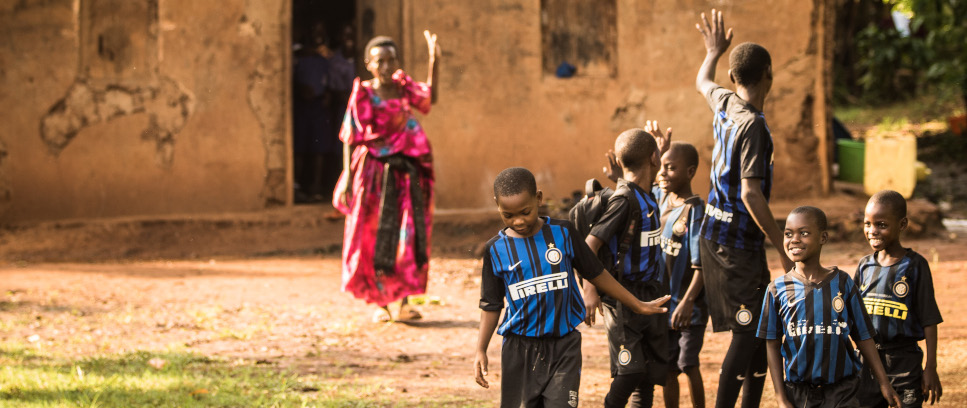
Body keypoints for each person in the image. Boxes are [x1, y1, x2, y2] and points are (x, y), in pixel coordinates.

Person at [473, 167, 671, 408]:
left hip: (564, 346)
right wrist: (480, 349)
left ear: (538, 198)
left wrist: (636, 304)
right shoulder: (495, 250)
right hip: (520, 351)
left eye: (525, 212)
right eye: (508, 215)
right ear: (497, 206)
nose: (519, 221)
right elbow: (491, 305)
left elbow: (597, 273)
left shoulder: (563, 234)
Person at [693, 9, 794, 407]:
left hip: (716, 238)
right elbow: (751, 194)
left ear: (734, 78)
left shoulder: (725, 102)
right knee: (748, 329)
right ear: (769, 73)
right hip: (734, 246)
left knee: (761, 327)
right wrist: (783, 248)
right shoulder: (752, 124)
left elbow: (702, 80)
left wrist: (714, 51)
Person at [333, 31, 441, 322]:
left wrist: (434, 62)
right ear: (369, 63)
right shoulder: (363, 93)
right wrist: (346, 176)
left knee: (407, 235)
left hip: (406, 172)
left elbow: (429, 100)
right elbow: (350, 136)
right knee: (371, 234)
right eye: (380, 60)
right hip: (373, 173)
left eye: (391, 59)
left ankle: (404, 302)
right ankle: (379, 304)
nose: (386, 65)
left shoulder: (404, 89)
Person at [758, 206, 901, 408]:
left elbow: (863, 337)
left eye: (804, 233)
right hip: (799, 394)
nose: (795, 239)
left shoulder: (843, 284)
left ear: (823, 237)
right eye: (788, 234)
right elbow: (772, 344)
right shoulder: (777, 289)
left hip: (843, 391)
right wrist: (781, 398)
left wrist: (884, 383)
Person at [582, 124, 670, 408]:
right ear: (654, 159)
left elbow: (648, 175)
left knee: (647, 376)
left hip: (649, 293)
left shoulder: (648, 194)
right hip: (622, 297)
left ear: (618, 162)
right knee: (630, 371)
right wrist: (590, 290)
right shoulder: (624, 199)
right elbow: (589, 246)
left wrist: (658, 150)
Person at [854, 190, 944, 407]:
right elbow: (852, 316)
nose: (872, 231)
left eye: (881, 224)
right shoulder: (864, 266)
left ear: (902, 224)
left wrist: (930, 367)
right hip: (867, 362)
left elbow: (930, 320)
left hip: (904, 362)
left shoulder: (914, 266)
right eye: (868, 224)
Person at [653, 142, 707, 408]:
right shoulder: (661, 198)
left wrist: (687, 302)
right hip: (664, 306)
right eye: (661, 167)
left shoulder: (695, 210)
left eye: (671, 168)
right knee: (669, 368)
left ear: (690, 171)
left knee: (688, 363)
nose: (663, 173)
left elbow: (702, 265)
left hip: (690, 307)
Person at [292, 25, 335, 202]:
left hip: (319, 106)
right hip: (303, 106)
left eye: (320, 32)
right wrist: (300, 90)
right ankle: (296, 185)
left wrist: (327, 96)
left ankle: (317, 186)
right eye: (314, 32)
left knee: (320, 148)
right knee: (300, 147)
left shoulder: (326, 59)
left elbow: (331, 81)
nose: (317, 36)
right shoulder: (298, 58)